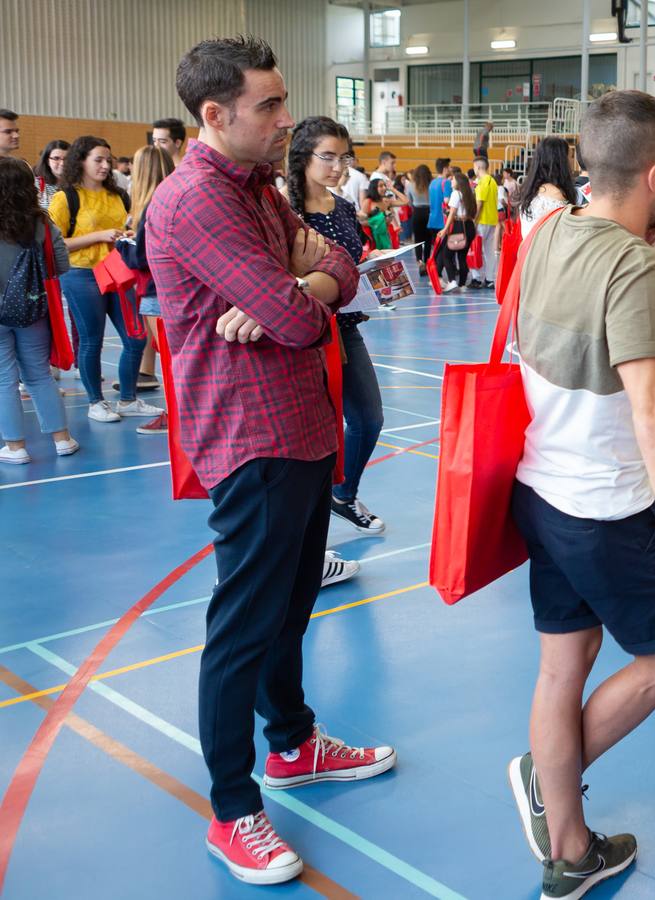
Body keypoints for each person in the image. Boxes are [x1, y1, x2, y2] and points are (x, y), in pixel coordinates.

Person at [148, 35, 390, 886]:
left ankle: (289, 743)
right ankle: (231, 808)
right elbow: (290, 323)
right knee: (244, 625)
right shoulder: (193, 205)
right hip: (248, 438)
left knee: (291, 602)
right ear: (215, 116)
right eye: (269, 107)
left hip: (302, 426)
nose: (286, 120)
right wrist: (291, 296)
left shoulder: (260, 189)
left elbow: (344, 272)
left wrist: (304, 283)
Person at [500, 89, 655, 900]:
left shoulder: (545, 229)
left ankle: (568, 851)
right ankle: (548, 774)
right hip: (606, 508)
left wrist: (650, 254)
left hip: (540, 488)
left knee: (559, 672)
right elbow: (651, 415)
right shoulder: (635, 267)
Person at [284, 116, 389, 537]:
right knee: (306, 437)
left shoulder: (344, 206)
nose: (338, 167)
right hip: (301, 335)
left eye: (343, 157)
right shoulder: (284, 209)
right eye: (327, 157)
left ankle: (343, 495)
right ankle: (306, 529)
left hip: (345, 328)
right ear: (303, 157)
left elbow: (352, 265)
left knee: (368, 418)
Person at [47, 136, 163, 423]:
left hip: (118, 272)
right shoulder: (66, 198)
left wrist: (126, 236)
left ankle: (127, 399)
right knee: (91, 340)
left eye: (107, 160)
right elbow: (54, 243)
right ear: (81, 161)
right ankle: (95, 402)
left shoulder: (118, 195)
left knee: (135, 338)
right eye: (98, 159)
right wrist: (98, 236)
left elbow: (127, 226)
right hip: (81, 274)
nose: (104, 165)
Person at [0, 156, 78, 463]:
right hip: (32, 309)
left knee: (3, 379)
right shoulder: (42, 223)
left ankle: (15, 447)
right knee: (38, 375)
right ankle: (62, 439)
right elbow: (60, 264)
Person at [126, 145, 177, 434]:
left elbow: (141, 256)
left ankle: (176, 415)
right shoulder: (169, 199)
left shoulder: (152, 204)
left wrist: (123, 244)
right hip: (165, 291)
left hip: (157, 292)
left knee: (172, 365)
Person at [513, 136, 578, 228]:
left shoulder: (529, 188)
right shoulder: (556, 194)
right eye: (570, 156)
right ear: (561, 161)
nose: (572, 161)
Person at [436, 167, 477, 292]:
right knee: (462, 256)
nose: (451, 181)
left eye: (453, 179)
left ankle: (452, 280)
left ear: (458, 182)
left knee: (446, 254)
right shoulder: (470, 193)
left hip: (459, 227)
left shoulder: (456, 193)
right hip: (469, 227)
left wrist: (445, 229)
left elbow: (452, 214)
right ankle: (462, 284)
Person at [471, 155, 501, 287]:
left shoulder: (483, 182)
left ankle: (476, 278)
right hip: (492, 220)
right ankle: (489, 279)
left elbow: (479, 204)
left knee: (474, 249)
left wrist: (473, 220)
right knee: (489, 251)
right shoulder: (493, 181)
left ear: (477, 167)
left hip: (482, 221)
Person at [407, 163, 433, 260]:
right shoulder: (431, 184)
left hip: (417, 212)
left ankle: (419, 261)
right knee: (428, 239)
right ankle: (426, 260)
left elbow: (409, 201)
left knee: (418, 239)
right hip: (429, 212)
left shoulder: (410, 185)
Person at [34, 140, 68, 209]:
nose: (62, 163)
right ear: (47, 161)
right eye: (56, 158)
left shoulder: (78, 184)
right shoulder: (36, 185)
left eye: (67, 159)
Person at [426, 155, 453, 241]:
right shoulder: (447, 182)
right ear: (445, 169)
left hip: (432, 221)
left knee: (436, 250)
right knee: (443, 250)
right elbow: (447, 200)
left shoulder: (432, 182)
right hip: (442, 221)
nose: (450, 169)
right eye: (449, 167)